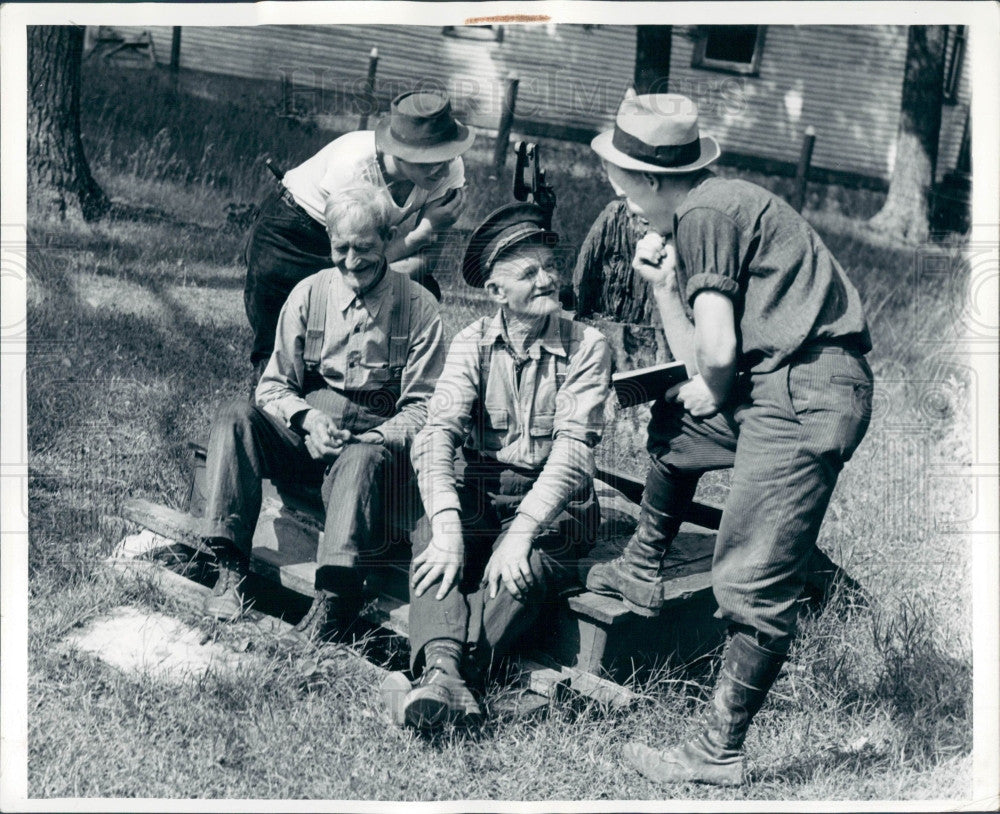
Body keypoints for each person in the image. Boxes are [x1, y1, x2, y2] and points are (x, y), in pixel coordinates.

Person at [587, 93, 873, 785]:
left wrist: (713, 383)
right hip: (781, 384)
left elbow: (715, 355)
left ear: (655, 180)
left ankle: (717, 750)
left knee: (750, 576)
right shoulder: (707, 211)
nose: (620, 200)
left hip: (805, 392)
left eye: (623, 184)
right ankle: (643, 566)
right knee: (680, 423)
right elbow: (701, 362)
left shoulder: (704, 213)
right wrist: (662, 290)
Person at [382, 203, 612, 730]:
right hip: (482, 486)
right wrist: (444, 523)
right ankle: (451, 680)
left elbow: (574, 453)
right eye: (529, 273)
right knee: (432, 547)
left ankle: (439, 675)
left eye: (549, 267)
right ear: (495, 293)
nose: (548, 279)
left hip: (557, 503)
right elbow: (437, 433)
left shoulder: (587, 347)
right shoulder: (472, 343)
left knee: (521, 571)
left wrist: (521, 534)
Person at [199, 184, 445, 641]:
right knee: (235, 415)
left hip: (374, 454)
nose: (352, 262)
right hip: (308, 437)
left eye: (365, 249)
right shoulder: (308, 296)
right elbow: (273, 386)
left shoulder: (418, 308)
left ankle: (332, 601)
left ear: (389, 238)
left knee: (360, 459)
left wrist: (372, 438)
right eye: (341, 248)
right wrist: (306, 420)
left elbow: (425, 407)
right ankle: (230, 568)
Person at [243, 90, 473, 379]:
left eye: (447, 155)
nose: (441, 168)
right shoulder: (353, 165)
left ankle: (378, 380)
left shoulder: (449, 170)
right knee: (282, 351)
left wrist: (383, 284)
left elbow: (425, 262)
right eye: (429, 160)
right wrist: (421, 234)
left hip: (366, 246)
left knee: (422, 289)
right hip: (293, 235)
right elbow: (353, 262)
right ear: (397, 151)